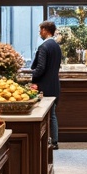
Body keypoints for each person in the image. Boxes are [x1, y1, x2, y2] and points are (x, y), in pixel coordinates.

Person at [31, 19, 62, 149]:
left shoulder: (44, 46)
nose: (39, 32)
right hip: (55, 84)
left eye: (40, 30)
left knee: (44, 114)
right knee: (53, 114)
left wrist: (32, 77)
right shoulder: (56, 46)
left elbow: (41, 67)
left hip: (44, 85)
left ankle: (49, 141)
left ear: (45, 30)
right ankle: (54, 140)